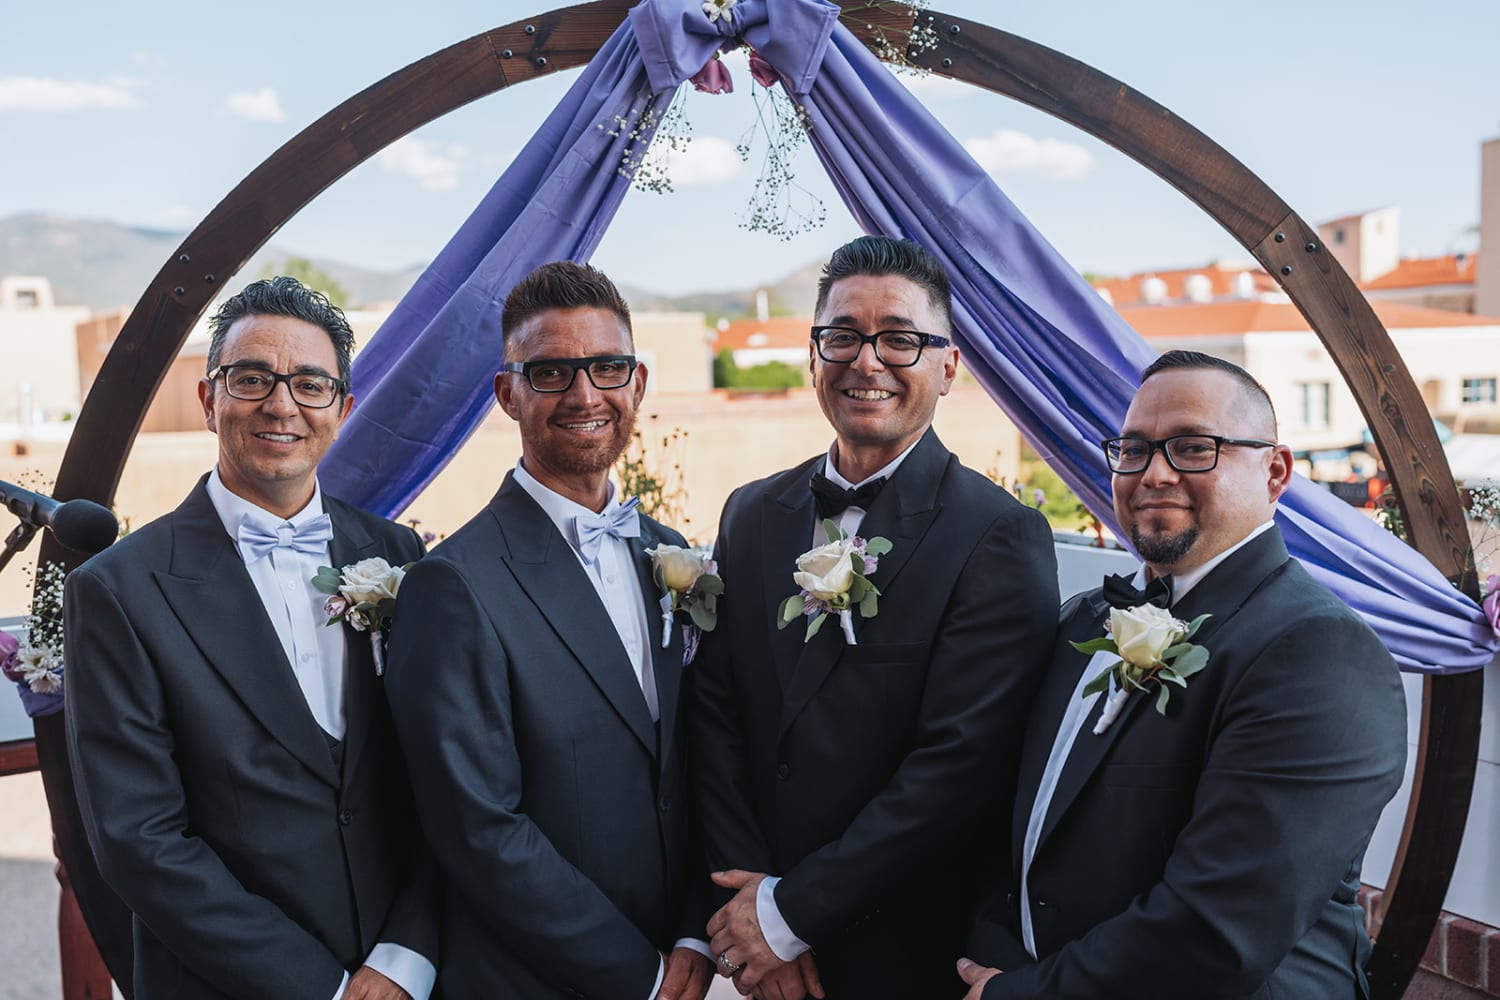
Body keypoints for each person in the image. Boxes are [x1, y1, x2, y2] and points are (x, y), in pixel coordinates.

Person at [959, 350, 1408, 999]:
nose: (1155, 474)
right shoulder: (1083, 620)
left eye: (1194, 448)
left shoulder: (1319, 653)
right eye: (1134, 450)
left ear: (1274, 471)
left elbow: (1218, 932)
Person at [694, 236, 1060, 998]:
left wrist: (792, 912)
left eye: (900, 338)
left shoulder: (999, 536)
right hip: (750, 940)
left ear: (948, 367)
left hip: (903, 950)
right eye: (843, 336)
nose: (867, 360)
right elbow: (714, 710)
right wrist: (749, 901)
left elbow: (959, 770)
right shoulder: (752, 513)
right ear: (814, 354)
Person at [65, 276, 437, 999]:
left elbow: (442, 778)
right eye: (252, 378)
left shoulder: (398, 556)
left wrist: (405, 957)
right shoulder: (119, 590)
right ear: (209, 400)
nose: (281, 403)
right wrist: (321, 988)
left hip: (408, 976)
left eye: (309, 383)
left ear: (343, 408)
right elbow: (139, 840)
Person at [384, 261, 713, 1000]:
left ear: (638, 384)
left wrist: (694, 934)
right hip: (533, 980)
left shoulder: (672, 553)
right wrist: (642, 975)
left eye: (607, 366)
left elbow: (699, 764)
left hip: (680, 962)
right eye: (552, 372)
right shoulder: (455, 584)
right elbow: (479, 829)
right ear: (508, 394)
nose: (585, 394)